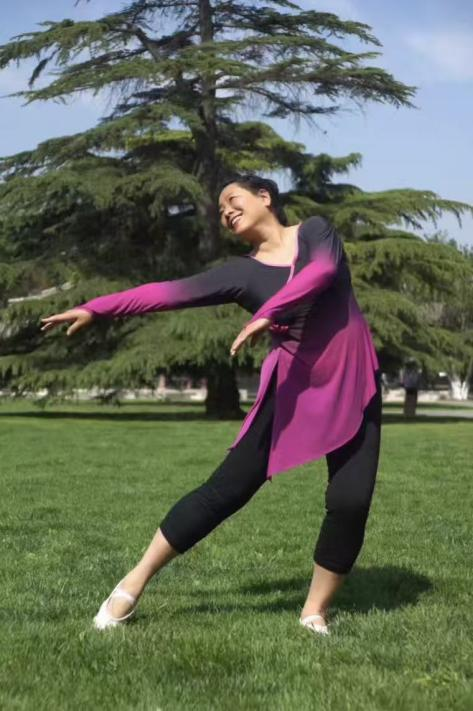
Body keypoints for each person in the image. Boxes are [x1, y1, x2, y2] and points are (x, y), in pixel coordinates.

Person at [40, 174, 382, 637]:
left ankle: (314, 611)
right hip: (291, 391)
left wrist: (270, 312)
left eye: (232, 199)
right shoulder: (240, 274)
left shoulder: (316, 231)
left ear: (265, 197)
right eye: (220, 210)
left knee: (350, 500)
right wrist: (97, 308)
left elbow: (320, 272)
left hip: (354, 380)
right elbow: (167, 293)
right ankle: (131, 584)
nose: (225, 212)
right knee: (225, 491)